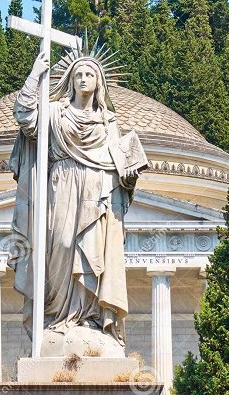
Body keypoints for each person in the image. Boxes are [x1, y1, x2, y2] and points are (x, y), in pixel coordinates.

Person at [8, 50, 140, 348]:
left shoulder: (109, 123)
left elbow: (121, 167)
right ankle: (56, 317)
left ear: (99, 82)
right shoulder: (55, 112)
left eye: (90, 74)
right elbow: (25, 117)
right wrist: (34, 75)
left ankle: (90, 319)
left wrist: (129, 177)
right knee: (62, 246)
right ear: (70, 79)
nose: (83, 78)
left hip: (98, 191)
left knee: (94, 257)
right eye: (78, 74)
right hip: (62, 186)